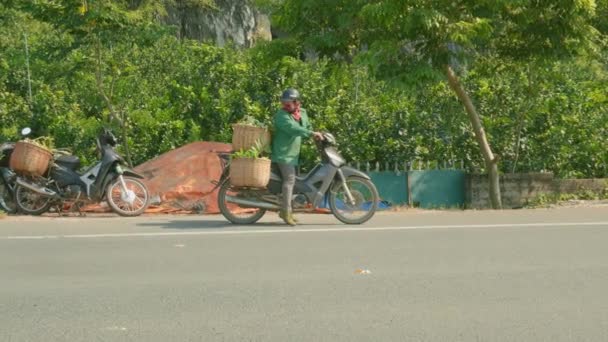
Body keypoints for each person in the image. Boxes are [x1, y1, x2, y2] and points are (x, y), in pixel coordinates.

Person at [271, 88, 323, 226]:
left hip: (294, 154)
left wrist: (317, 134)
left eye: (288, 103)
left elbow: (307, 126)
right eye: (284, 103)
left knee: (294, 183)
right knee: (289, 181)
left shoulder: (303, 113)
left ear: (297, 102)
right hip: (283, 154)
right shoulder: (281, 116)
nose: (285, 106)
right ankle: (286, 212)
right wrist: (311, 133)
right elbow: (293, 128)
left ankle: (285, 210)